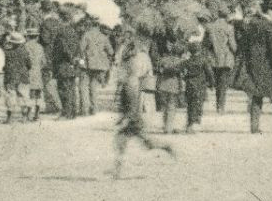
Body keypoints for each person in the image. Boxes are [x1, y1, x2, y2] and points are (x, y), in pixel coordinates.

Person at [111, 27, 172, 179]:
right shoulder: (130, 77)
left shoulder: (130, 81)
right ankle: (116, 172)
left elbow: (131, 103)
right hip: (133, 117)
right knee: (139, 144)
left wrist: (126, 118)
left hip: (133, 118)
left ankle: (117, 172)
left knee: (126, 143)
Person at [237, 0, 272, 134]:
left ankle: (254, 127)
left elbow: (243, 45)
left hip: (253, 65)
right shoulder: (271, 27)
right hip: (269, 66)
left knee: (256, 95)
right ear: (271, 11)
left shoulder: (251, 25)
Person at [204, 8, 238, 115]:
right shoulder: (229, 27)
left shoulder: (209, 27)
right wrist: (237, 52)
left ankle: (215, 103)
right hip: (225, 59)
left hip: (213, 58)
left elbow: (207, 44)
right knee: (223, 84)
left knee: (215, 81)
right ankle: (220, 107)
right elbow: (232, 45)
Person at [79, 19, 113, 116]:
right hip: (99, 66)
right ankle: (94, 109)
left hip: (86, 65)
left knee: (84, 86)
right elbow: (110, 51)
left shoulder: (86, 35)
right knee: (93, 87)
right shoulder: (104, 37)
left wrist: (81, 63)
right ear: (98, 26)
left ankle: (85, 110)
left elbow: (81, 50)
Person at [181, 30, 212, 133]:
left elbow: (182, 72)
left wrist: (185, 78)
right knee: (198, 104)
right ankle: (196, 122)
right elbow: (209, 73)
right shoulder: (203, 60)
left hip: (189, 84)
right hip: (200, 85)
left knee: (190, 104)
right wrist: (212, 83)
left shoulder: (187, 61)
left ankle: (189, 123)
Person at [2, 31, 32, 123]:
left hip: (11, 77)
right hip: (23, 77)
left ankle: (9, 118)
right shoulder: (25, 52)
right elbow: (29, 65)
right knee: (23, 96)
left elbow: (4, 66)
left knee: (10, 97)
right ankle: (24, 117)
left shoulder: (7, 53)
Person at [23, 27, 47, 122]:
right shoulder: (40, 47)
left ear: (28, 37)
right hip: (37, 72)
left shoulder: (25, 46)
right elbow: (44, 62)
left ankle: (28, 114)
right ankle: (37, 114)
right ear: (36, 37)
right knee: (38, 94)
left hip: (28, 72)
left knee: (29, 94)